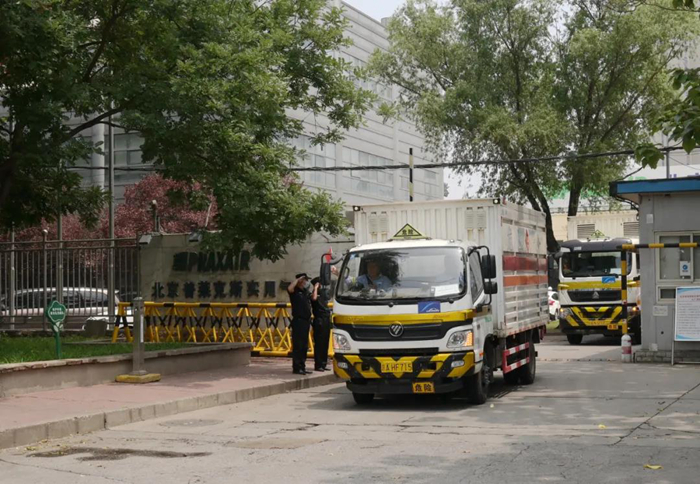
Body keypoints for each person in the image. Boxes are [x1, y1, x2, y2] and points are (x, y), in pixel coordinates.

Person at [287, 273, 313, 375]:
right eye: (304, 280)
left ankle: (302, 366)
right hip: (298, 321)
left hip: (306, 321)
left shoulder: (304, 291)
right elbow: (289, 288)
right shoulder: (295, 291)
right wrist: (297, 280)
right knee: (298, 345)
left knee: (304, 346)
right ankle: (297, 367)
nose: (305, 282)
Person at [310, 277, 331, 372]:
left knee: (325, 342)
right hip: (319, 320)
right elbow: (314, 298)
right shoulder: (313, 294)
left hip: (326, 320)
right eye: (319, 284)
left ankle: (323, 363)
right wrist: (315, 288)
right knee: (319, 343)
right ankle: (318, 365)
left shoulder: (323, 294)